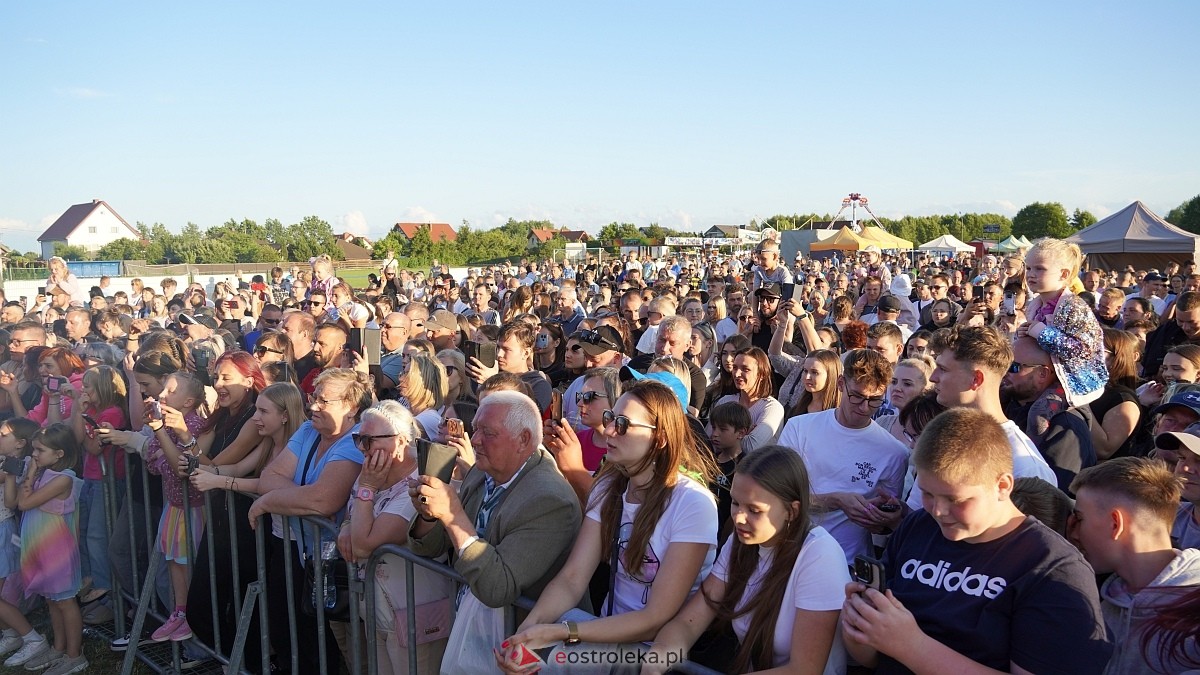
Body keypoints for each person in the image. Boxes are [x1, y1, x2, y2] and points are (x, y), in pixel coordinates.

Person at [842, 408, 1111, 674]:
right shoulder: (919, 526)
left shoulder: (1054, 569)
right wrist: (859, 625)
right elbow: (872, 658)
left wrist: (913, 646)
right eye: (928, 494)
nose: (937, 511)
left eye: (955, 499)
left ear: (1003, 486)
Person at [497, 380, 718, 669]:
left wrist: (563, 631)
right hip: (605, 644)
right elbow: (572, 578)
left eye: (624, 424)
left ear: (660, 437)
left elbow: (656, 617)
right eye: (610, 417)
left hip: (658, 659)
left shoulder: (692, 503)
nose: (610, 430)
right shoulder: (608, 488)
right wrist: (525, 635)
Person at [409, 390, 581, 670]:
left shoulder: (550, 500)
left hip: (523, 653)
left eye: (487, 432)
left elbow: (497, 588)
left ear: (523, 439)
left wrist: (453, 516)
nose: (474, 440)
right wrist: (429, 515)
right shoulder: (481, 471)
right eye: (475, 429)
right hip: (472, 635)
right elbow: (430, 547)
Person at [645, 445, 849, 675]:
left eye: (754, 509)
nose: (739, 518)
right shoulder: (741, 542)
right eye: (735, 503)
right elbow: (689, 622)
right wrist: (657, 661)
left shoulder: (819, 555)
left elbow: (804, 669)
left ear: (792, 511)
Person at [251, 369, 370, 675]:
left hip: (342, 566)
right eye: (313, 397)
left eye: (324, 400)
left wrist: (270, 502)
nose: (314, 405)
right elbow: (269, 477)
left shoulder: (354, 443)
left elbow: (325, 501)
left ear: (351, 406)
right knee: (296, 633)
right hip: (307, 557)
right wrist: (305, 499)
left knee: (343, 649)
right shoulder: (307, 431)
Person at [336, 400, 453, 674]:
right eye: (358, 439)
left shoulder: (416, 485)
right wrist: (346, 526)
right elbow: (352, 513)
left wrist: (366, 487)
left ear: (400, 442)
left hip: (416, 618)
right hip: (379, 613)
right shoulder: (375, 473)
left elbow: (365, 544)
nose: (362, 448)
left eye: (368, 440)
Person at [1069, 456, 1200, 673]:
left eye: (1079, 519)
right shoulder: (1106, 601)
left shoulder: (1193, 601)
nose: (1072, 533)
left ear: (1115, 524)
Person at [776, 349, 908, 563]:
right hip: (792, 554)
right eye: (856, 396)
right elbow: (778, 497)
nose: (865, 408)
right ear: (840, 384)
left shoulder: (894, 452)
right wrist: (836, 500)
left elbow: (885, 525)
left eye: (875, 400)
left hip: (848, 562)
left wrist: (880, 519)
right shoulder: (799, 427)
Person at [13, 424, 87, 674]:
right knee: (52, 601)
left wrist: (31, 474)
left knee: (65, 601)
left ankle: (75, 655)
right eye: (34, 449)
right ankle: (59, 646)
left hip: (57, 550)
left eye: (40, 450)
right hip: (41, 548)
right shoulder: (47, 471)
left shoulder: (64, 477)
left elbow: (24, 503)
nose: (34, 454)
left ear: (60, 453)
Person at [1019, 240, 1108, 409]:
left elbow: (1081, 351)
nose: (1030, 274)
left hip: (1072, 380)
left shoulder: (1074, 307)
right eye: (1028, 268)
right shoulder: (1035, 305)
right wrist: (1023, 334)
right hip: (1044, 375)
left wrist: (1042, 333)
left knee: (1039, 415)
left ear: (1064, 274)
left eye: (1040, 269)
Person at [1002, 337, 1098, 492]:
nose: (1004, 371)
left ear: (1042, 374)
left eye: (1013, 367)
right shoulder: (1007, 403)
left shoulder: (1065, 426)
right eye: (1003, 363)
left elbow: (1052, 495)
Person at [0, 419, 48, 667]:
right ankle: (10, 634)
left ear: (19, 444)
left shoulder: (17, 465)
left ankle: (32, 639)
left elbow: (10, 502)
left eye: (2, 434)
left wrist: (8, 475)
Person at [544, 366, 620, 505]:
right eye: (579, 396)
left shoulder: (624, 451)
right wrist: (550, 451)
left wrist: (573, 469)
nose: (579, 403)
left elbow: (607, 509)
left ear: (616, 398)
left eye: (589, 397)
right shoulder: (575, 442)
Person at [711, 347, 784, 453]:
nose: (736, 374)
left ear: (762, 374)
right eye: (735, 368)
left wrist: (728, 437)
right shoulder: (725, 401)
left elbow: (751, 447)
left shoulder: (772, 408)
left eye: (745, 369)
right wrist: (743, 435)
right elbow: (708, 440)